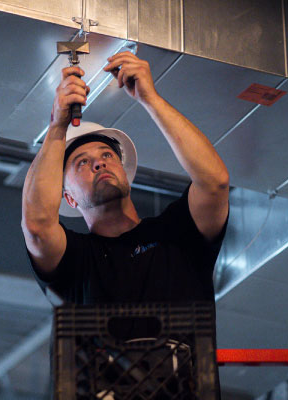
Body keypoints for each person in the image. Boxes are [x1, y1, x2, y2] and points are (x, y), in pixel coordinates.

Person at [21, 51, 230, 305]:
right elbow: (37, 227)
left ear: (124, 174)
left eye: (107, 155)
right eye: (82, 162)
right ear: (69, 198)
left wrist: (150, 99)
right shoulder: (76, 261)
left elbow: (215, 182)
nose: (99, 163)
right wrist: (56, 128)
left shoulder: (177, 235)